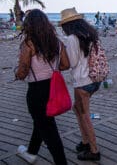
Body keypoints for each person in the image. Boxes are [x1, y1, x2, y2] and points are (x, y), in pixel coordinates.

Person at [15, 9, 70, 165]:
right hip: (53, 87)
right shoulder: (57, 42)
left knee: (48, 129)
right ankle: (31, 153)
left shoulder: (28, 44)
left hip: (37, 91)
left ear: (29, 25)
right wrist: (52, 67)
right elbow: (66, 65)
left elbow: (23, 71)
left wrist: (18, 74)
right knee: (41, 122)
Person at [60, 8, 102, 161]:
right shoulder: (91, 34)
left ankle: (94, 150)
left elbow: (71, 63)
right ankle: (85, 142)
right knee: (77, 109)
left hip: (83, 82)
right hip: (94, 80)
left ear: (67, 25)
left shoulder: (72, 38)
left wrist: (62, 52)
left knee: (84, 115)